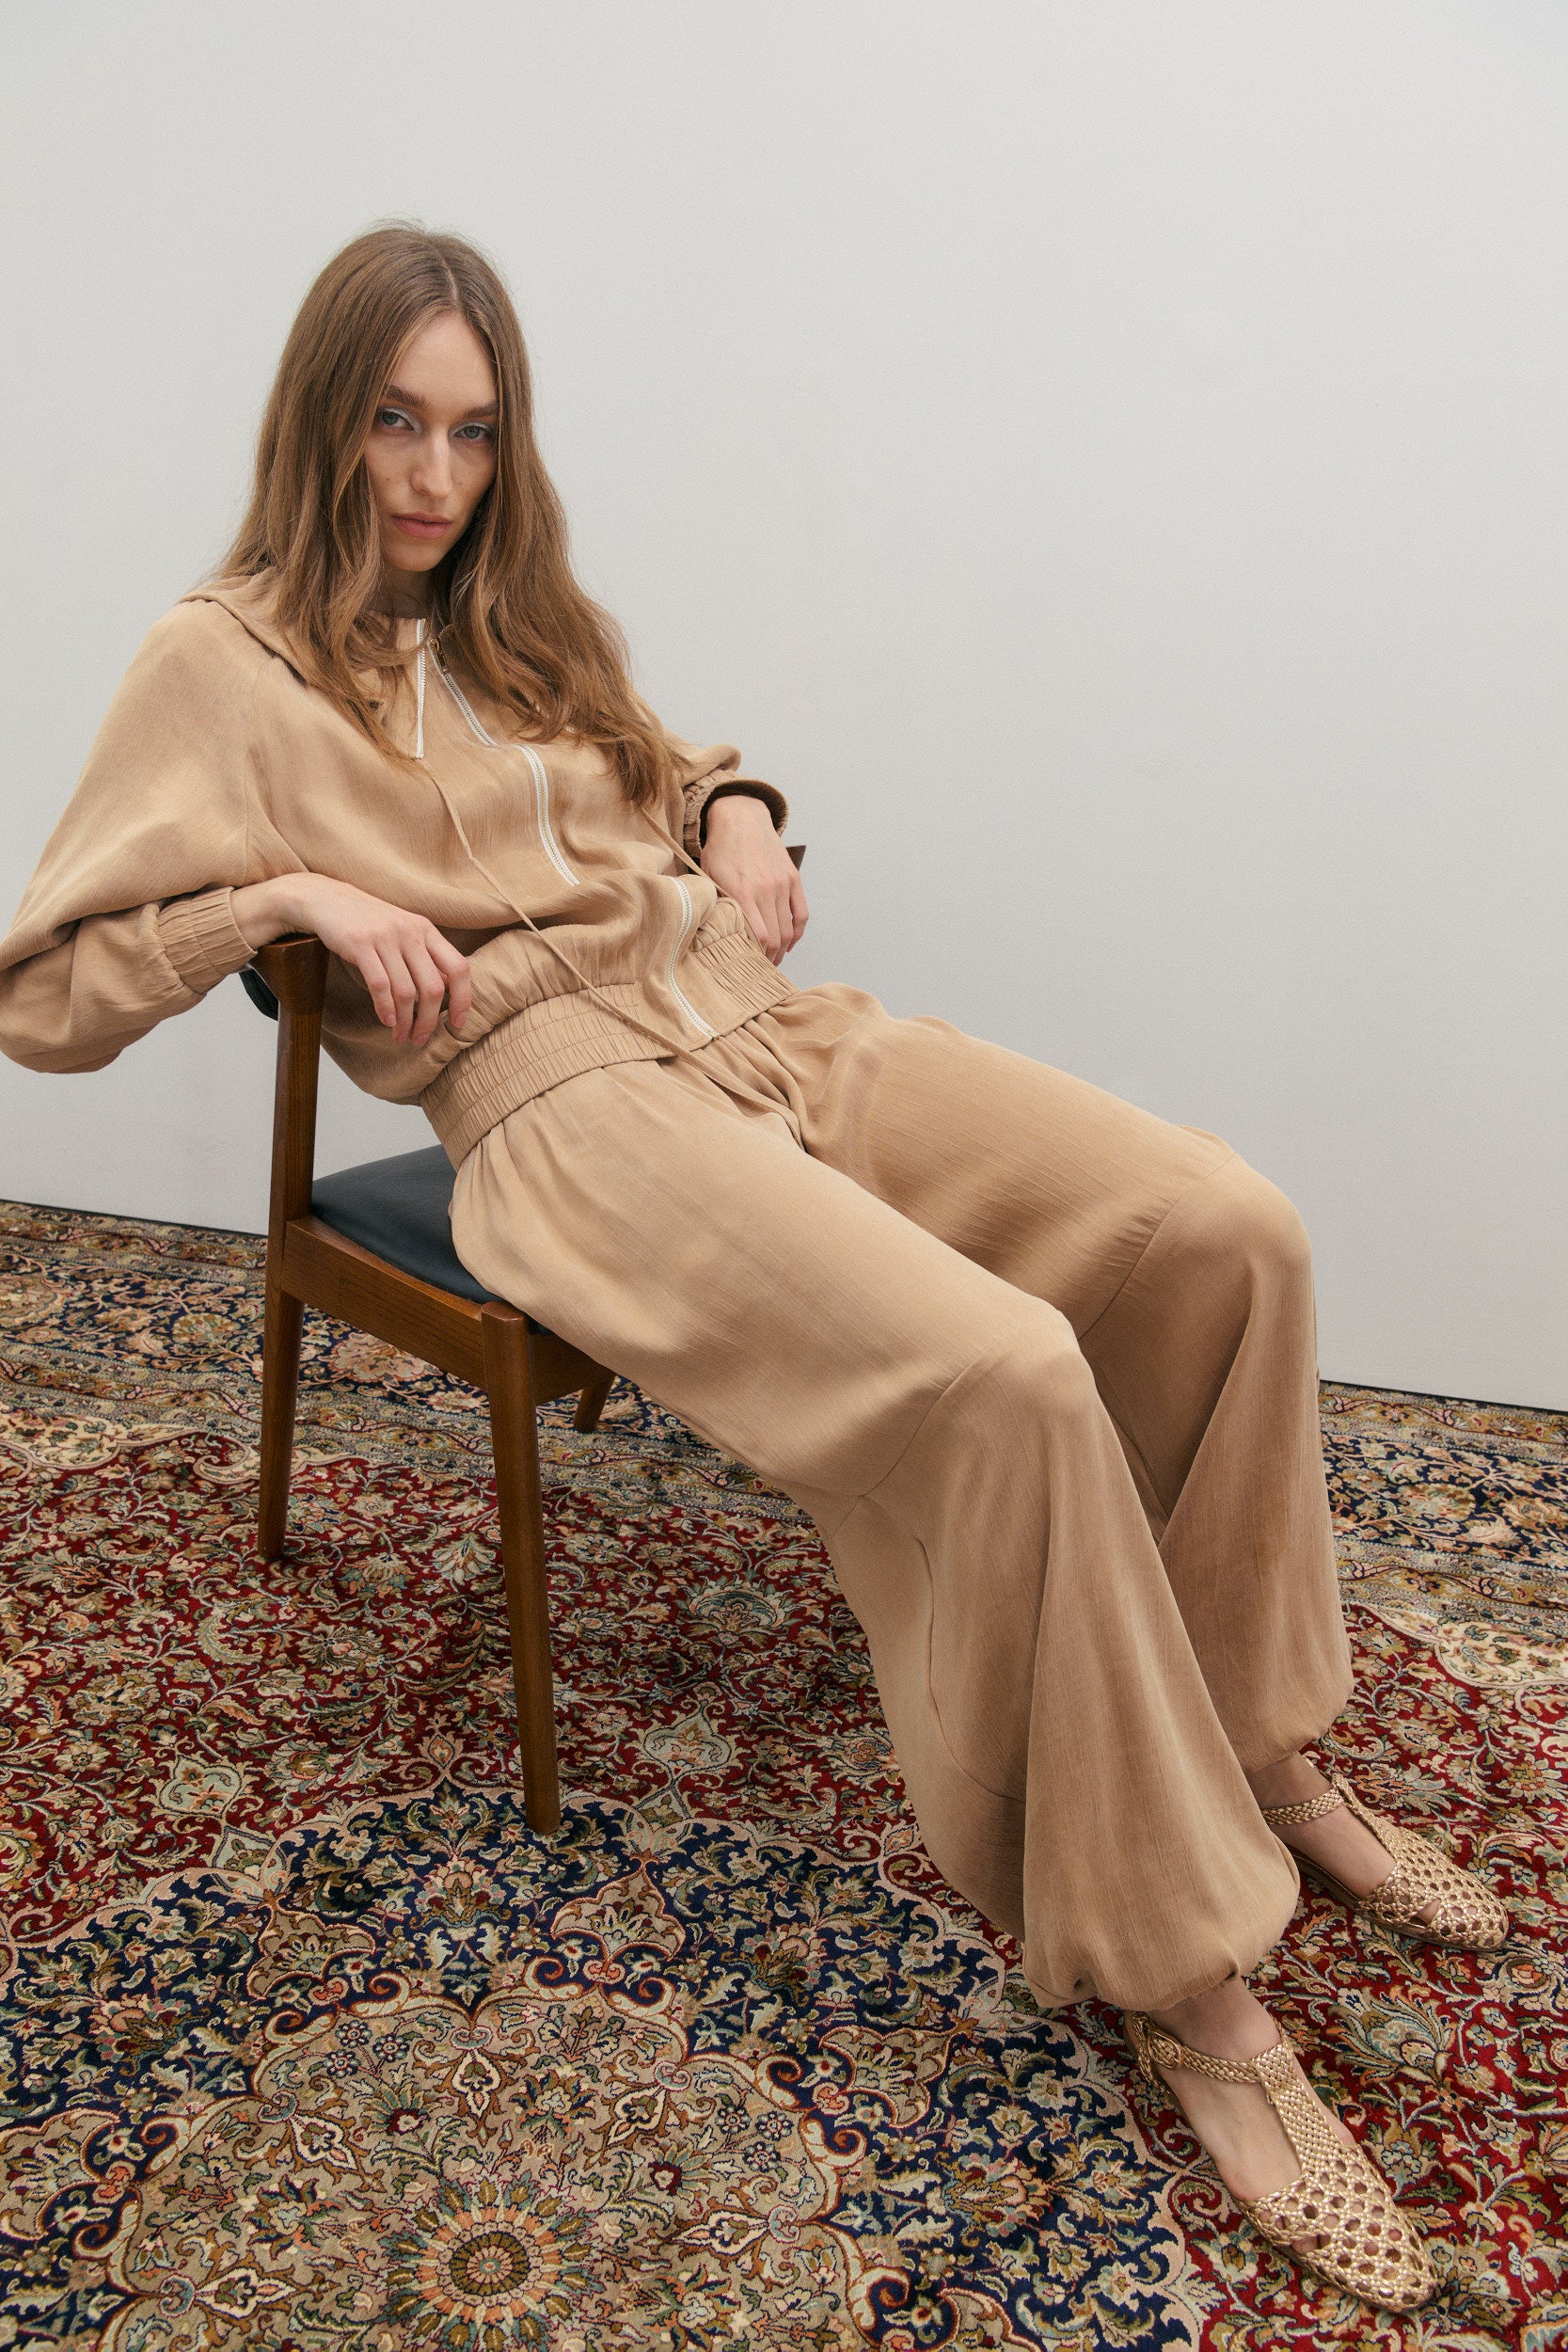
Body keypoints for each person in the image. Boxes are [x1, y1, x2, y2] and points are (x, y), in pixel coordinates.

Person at [0, 223, 1506, 2313]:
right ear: (321, 416)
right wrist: (291, 898)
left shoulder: (523, 616)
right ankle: (1193, 1987)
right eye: (395, 422)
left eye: (475, 432)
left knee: (1226, 1231)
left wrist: (738, 815)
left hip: (757, 1013)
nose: (433, 476)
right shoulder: (218, 664)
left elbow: (675, 753)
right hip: (570, 1111)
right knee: (1003, 1377)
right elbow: (46, 989)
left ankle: (1258, 1738)